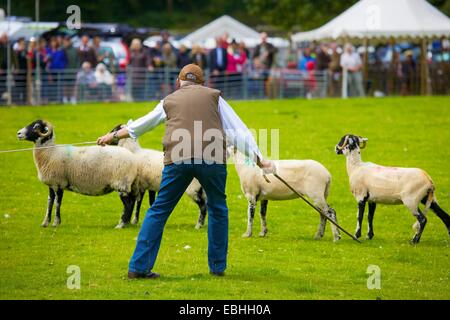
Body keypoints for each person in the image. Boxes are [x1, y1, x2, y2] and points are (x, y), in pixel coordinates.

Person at [96, 64, 276, 279]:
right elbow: (238, 132)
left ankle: (138, 268)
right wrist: (259, 159)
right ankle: (217, 268)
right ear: (202, 83)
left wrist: (113, 136)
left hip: (177, 159)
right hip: (212, 159)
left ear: (179, 82)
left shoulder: (169, 100)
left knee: (159, 210)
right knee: (218, 208)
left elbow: (143, 124)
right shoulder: (215, 97)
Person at [62, 36, 79, 104]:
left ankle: (72, 98)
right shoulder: (63, 49)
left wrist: (77, 69)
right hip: (65, 71)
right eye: (65, 41)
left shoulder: (74, 50)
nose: (67, 42)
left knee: (72, 85)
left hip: (73, 71)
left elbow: (77, 60)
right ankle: (65, 98)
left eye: (68, 41)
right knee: (65, 85)